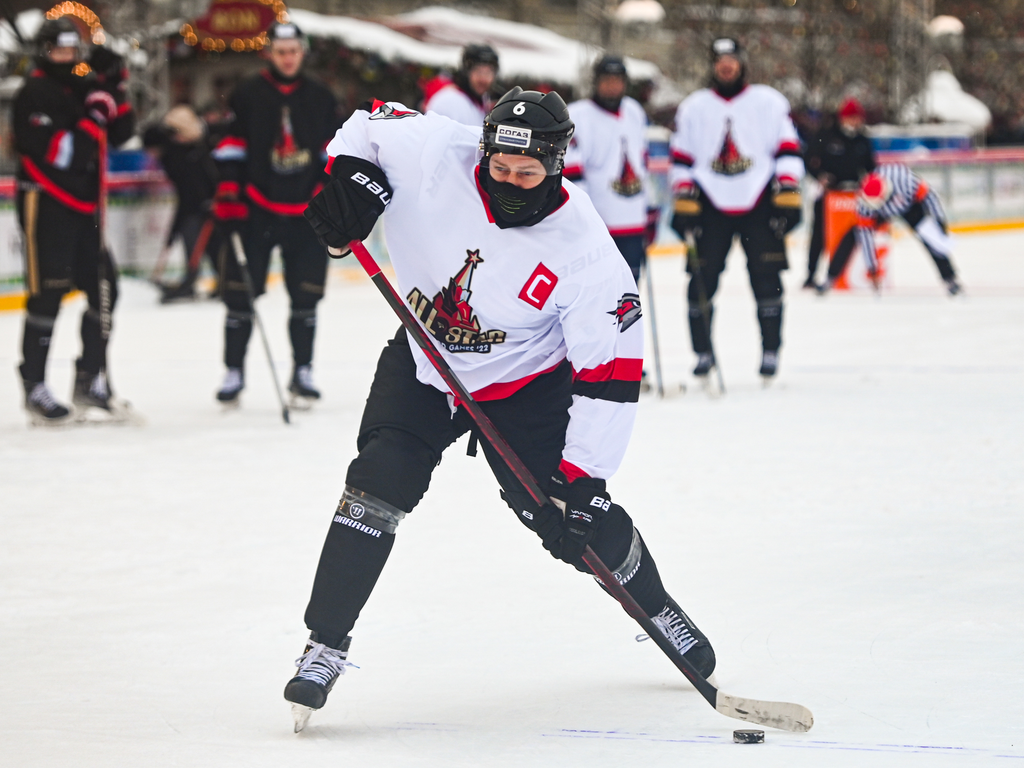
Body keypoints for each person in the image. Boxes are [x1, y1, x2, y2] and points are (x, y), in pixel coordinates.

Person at [282, 88, 716, 728]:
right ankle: (324, 644)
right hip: (426, 364)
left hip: (526, 387)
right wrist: (350, 177)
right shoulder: (434, 152)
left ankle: (657, 609)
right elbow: (362, 125)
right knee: (378, 480)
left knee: (572, 524)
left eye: (526, 172)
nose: (509, 181)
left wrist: (586, 480)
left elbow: (610, 375)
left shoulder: (586, 249)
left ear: (557, 163)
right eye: (498, 167)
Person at [210, 21, 340, 405]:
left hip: (305, 212)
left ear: (302, 52)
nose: (288, 58)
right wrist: (229, 189)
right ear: (270, 52)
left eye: (294, 51)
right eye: (281, 51)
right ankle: (233, 370)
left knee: (306, 296)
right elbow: (232, 143)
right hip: (257, 209)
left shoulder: (320, 95)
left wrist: (325, 187)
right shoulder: (248, 92)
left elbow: (333, 151)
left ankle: (303, 370)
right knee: (240, 294)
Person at [12, 17, 135, 423]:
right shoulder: (33, 93)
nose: (67, 58)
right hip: (46, 206)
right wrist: (93, 117)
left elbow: (121, 133)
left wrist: (116, 84)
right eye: (58, 50)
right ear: (44, 52)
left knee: (104, 290)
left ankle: (89, 380)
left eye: (72, 50)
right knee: (47, 295)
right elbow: (64, 152)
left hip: (86, 210)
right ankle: (34, 385)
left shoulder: (81, 87)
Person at [669, 38, 804, 380]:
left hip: (759, 201)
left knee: (768, 281)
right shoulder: (694, 107)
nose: (726, 66)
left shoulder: (769, 102)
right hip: (709, 205)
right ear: (713, 65)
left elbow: (788, 150)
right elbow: (681, 158)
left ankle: (771, 350)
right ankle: (702, 353)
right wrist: (683, 197)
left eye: (732, 59)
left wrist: (788, 189)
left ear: (742, 62)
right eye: (720, 60)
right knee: (699, 281)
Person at [564, 55, 653, 285]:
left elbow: (642, 164)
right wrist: (584, 221)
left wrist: (650, 209)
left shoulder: (634, 111)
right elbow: (572, 176)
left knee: (629, 299)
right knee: (595, 294)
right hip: (597, 228)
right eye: (607, 80)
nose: (612, 86)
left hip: (633, 223)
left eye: (618, 80)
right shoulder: (577, 115)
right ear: (596, 81)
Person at [819, 164, 962, 296]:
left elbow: (930, 196)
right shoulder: (865, 204)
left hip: (910, 206)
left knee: (931, 237)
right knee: (852, 234)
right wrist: (873, 269)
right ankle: (831, 277)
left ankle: (950, 278)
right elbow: (866, 236)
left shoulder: (905, 182)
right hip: (881, 212)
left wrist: (939, 223)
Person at [143, 105, 221, 302]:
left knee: (208, 243)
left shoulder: (194, 152)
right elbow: (186, 192)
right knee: (198, 240)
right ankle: (200, 280)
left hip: (204, 207)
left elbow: (199, 185)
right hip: (197, 207)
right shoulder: (177, 155)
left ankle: (211, 280)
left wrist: (211, 201)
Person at [803, 97, 876, 289]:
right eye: (851, 118)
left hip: (854, 195)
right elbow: (808, 158)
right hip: (827, 194)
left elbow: (871, 167)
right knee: (818, 234)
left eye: (857, 118)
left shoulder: (862, 139)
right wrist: (819, 176)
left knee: (854, 233)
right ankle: (811, 274)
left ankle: (853, 273)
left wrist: (872, 186)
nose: (855, 122)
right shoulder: (826, 134)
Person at [422, 43, 499, 126]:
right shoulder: (448, 101)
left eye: (488, 73)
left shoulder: (481, 100)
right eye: (478, 71)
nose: (483, 79)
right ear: (466, 72)